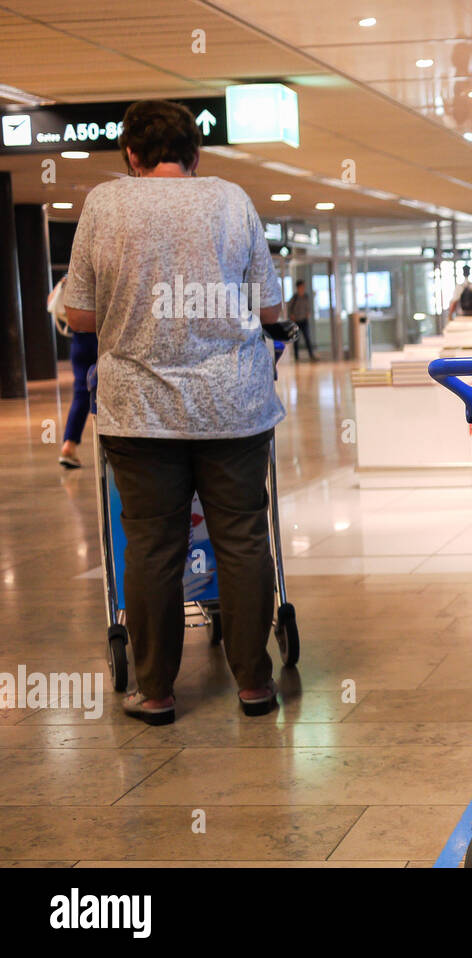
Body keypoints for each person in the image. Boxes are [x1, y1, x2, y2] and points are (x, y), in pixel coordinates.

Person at [62, 99, 292, 725]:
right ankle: (254, 686)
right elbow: (270, 306)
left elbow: (80, 315)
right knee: (242, 539)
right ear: (196, 154)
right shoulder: (231, 198)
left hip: (140, 411)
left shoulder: (105, 204)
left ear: (131, 156)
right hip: (234, 408)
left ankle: (156, 692)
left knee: (153, 546)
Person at [47, 275, 98, 469]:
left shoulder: (72, 277)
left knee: (81, 394)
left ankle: (69, 444)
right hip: (100, 337)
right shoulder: (102, 272)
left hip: (79, 341)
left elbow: (50, 301)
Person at [287, 279, 317, 361]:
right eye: (301, 286)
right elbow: (289, 308)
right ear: (298, 287)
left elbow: (308, 307)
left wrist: (308, 313)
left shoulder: (306, 297)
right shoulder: (295, 298)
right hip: (296, 321)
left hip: (304, 321)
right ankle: (296, 357)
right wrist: (291, 316)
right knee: (296, 339)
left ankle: (311, 355)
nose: (303, 288)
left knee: (307, 338)